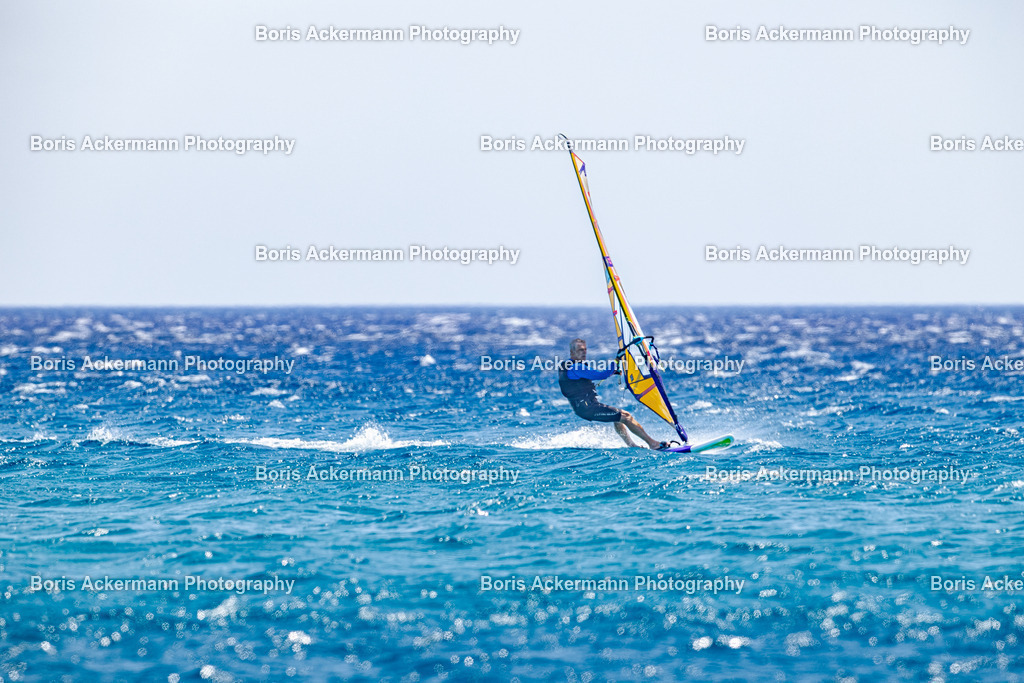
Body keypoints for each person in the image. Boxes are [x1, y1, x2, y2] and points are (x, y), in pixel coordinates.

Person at [557, 338, 670, 449]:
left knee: (618, 417)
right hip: (588, 408)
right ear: (572, 352)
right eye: (580, 350)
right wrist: (617, 360)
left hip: (583, 408)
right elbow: (601, 375)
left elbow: (592, 375)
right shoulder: (577, 367)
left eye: (585, 349)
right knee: (626, 417)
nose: (584, 352)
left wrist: (613, 371)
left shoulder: (568, 366)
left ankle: (632, 446)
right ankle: (653, 444)